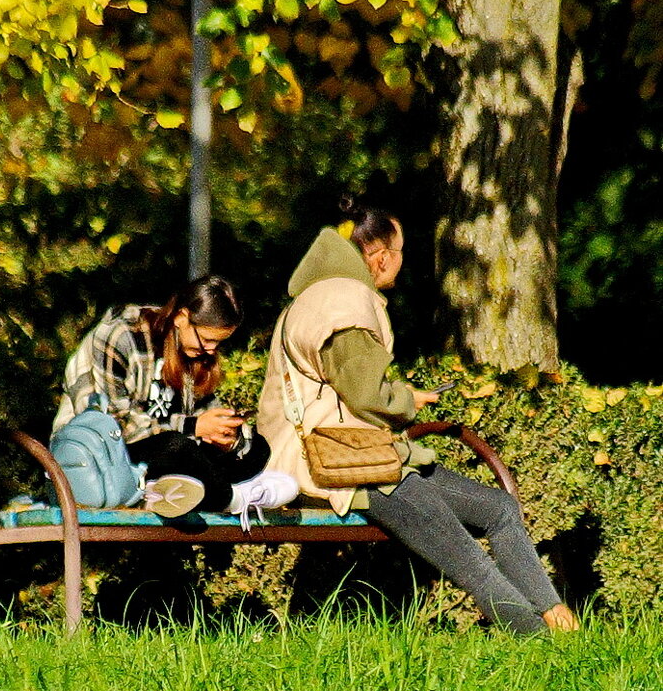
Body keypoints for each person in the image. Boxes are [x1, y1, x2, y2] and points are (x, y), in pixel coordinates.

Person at [255, 198, 578, 633]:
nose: (402, 264)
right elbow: (366, 394)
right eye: (402, 251)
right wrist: (405, 401)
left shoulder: (323, 295)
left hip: (364, 458)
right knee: (468, 561)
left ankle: (555, 615)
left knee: (498, 509)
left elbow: (348, 387)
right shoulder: (342, 303)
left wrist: (403, 397)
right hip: (345, 467)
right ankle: (541, 641)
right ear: (382, 256)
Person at [53, 275, 298, 525]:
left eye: (219, 343)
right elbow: (115, 423)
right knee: (177, 446)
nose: (212, 350)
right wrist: (193, 426)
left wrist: (227, 438)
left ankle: (169, 489)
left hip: (165, 456)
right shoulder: (120, 335)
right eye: (207, 339)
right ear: (181, 318)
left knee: (256, 447)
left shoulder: (194, 351)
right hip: (104, 454)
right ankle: (234, 499)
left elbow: (205, 413)